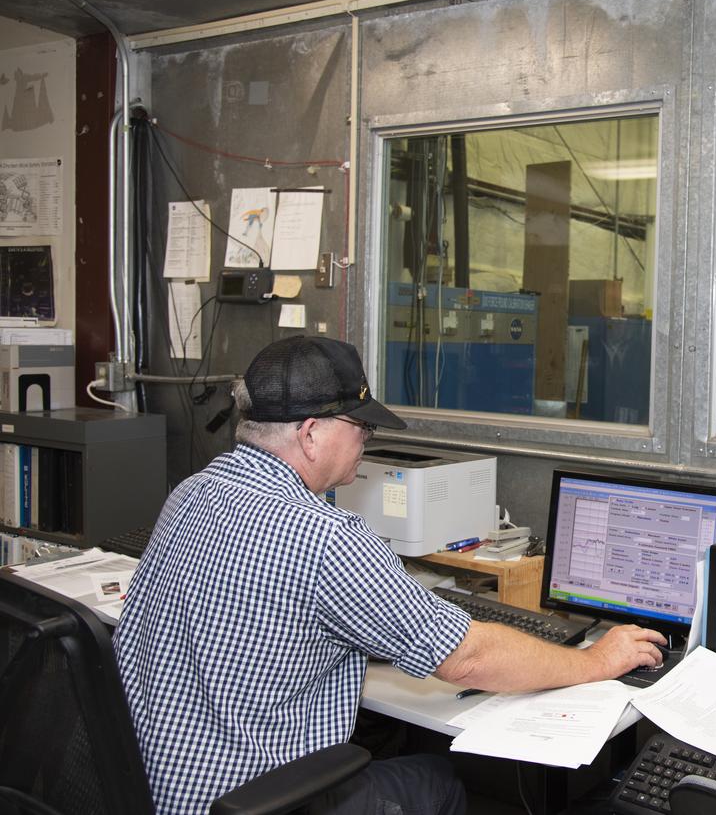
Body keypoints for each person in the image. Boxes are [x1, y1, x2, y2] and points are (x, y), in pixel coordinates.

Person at [113, 336, 665, 815]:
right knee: (438, 780)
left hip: (155, 787)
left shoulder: (193, 492)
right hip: (257, 798)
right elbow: (467, 658)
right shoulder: (327, 537)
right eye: (360, 428)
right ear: (310, 434)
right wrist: (596, 660)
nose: (367, 441)